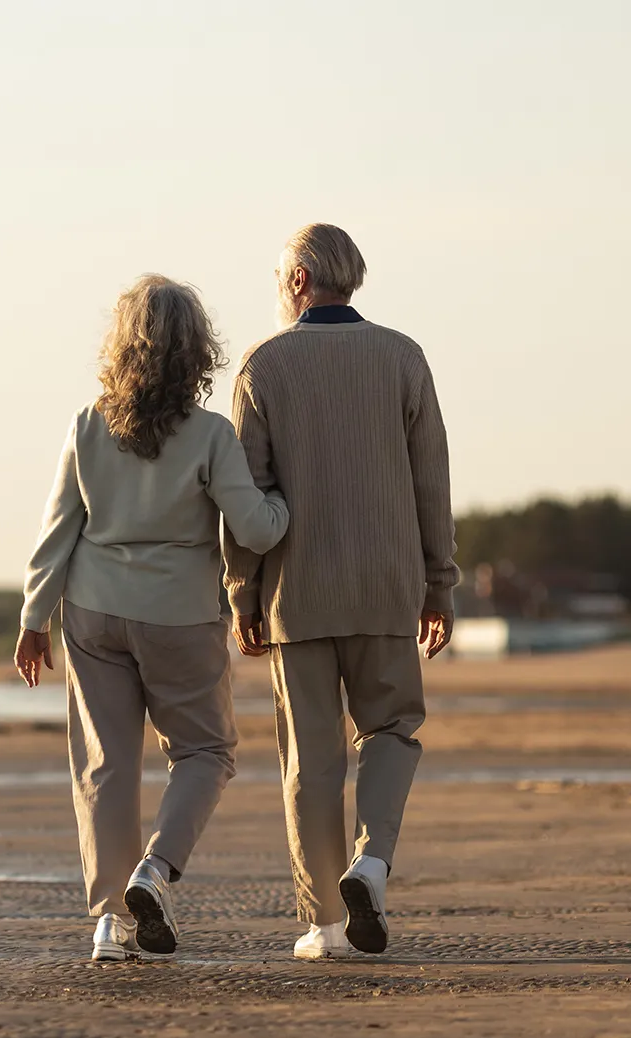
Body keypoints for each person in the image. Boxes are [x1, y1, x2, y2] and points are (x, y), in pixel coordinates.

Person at [15, 274, 289, 962]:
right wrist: (284, 502)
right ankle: (156, 870)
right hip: (179, 615)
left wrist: (32, 618)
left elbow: (57, 532)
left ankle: (109, 923)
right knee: (206, 752)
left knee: (106, 767)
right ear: (197, 351)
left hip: (93, 611)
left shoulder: (87, 426)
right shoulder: (210, 436)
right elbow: (255, 530)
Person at [223, 224, 458, 960]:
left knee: (312, 761)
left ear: (297, 281)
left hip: (299, 593)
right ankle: (373, 863)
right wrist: (439, 583)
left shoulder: (263, 366)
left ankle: (326, 924)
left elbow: (246, 496)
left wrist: (243, 596)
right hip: (387, 584)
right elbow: (432, 482)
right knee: (391, 729)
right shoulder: (403, 357)